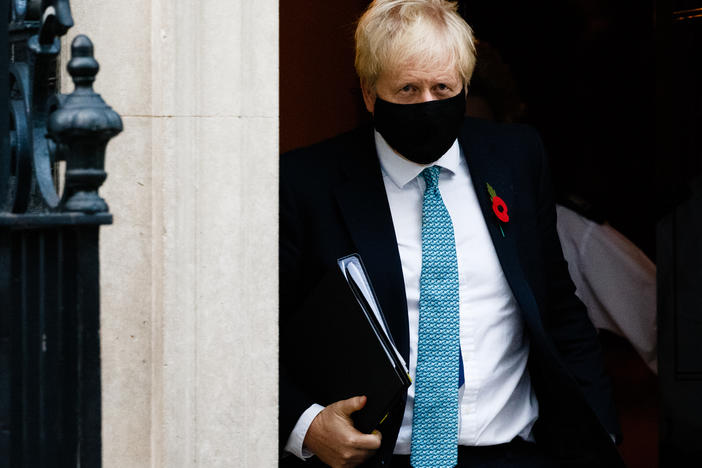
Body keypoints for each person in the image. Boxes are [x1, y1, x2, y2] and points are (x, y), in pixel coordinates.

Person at [280, 1, 622, 466]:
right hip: (378, 457)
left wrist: (599, 434)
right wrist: (306, 423)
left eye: (443, 87)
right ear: (368, 92)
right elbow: (257, 334)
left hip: (513, 452)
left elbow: (558, 306)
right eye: (407, 88)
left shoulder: (516, 158)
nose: (427, 104)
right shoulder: (307, 183)